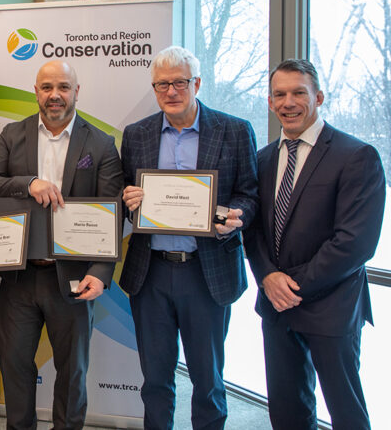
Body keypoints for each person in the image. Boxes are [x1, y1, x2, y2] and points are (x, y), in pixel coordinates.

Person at [0, 60, 123, 430]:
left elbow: (113, 211)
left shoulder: (101, 143)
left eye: (62, 87)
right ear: (35, 91)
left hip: (73, 280)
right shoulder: (13, 134)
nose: (54, 95)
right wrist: (28, 183)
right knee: (15, 367)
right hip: (19, 276)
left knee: (72, 372)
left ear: (76, 91)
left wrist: (100, 272)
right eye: (46, 87)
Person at [118, 46, 258, 429]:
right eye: (162, 84)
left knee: (208, 380)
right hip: (152, 274)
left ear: (196, 83)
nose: (171, 91)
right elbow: (124, 195)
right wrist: (128, 199)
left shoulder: (234, 130)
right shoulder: (137, 134)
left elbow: (250, 193)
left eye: (180, 82)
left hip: (207, 272)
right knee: (156, 381)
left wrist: (235, 217)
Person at [244, 59, 384, 430]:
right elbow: (253, 230)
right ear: (271, 103)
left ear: (318, 96)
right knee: (288, 412)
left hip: (331, 307)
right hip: (277, 308)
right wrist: (268, 278)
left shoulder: (356, 156)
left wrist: (291, 286)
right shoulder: (263, 159)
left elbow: (356, 243)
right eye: (279, 94)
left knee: (346, 412)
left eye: (298, 93)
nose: (288, 102)